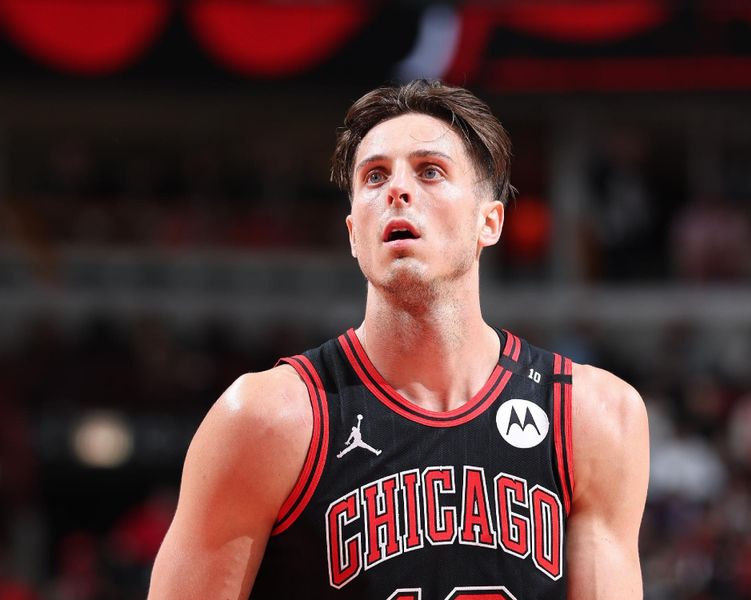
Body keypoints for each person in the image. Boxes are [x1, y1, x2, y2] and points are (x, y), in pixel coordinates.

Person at [148, 80, 649, 599]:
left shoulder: (592, 417)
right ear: (352, 234)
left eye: (430, 171)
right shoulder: (265, 419)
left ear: (490, 222)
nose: (397, 190)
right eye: (374, 176)